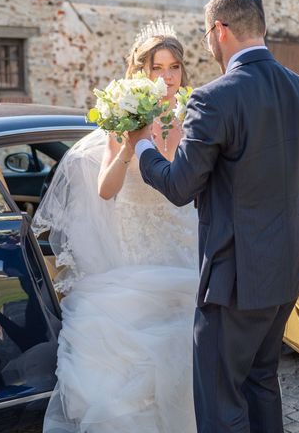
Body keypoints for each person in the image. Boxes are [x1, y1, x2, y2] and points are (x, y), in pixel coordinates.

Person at [128, 0, 299, 433]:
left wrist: (143, 150)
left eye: (204, 36)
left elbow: (180, 186)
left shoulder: (213, 98)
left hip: (234, 278)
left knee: (220, 401)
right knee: (262, 381)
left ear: (220, 30)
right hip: (290, 268)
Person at [32, 21, 198, 433]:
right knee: (132, 361)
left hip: (181, 243)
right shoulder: (123, 120)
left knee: (185, 350)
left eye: (174, 67)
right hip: (133, 254)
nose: (166, 76)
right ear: (140, 72)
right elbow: (106, 190)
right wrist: (129, 145)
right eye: (156, 67)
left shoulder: (196, 116)